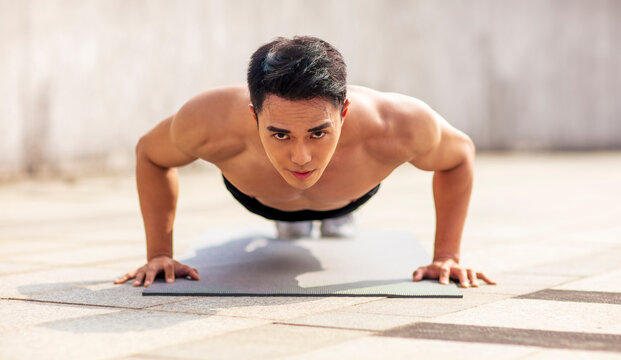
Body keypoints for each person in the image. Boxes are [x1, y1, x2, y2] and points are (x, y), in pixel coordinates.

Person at [114, 36, 495, 289]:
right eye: (280, 134)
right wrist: (159, 253)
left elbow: (459, 156)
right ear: (254, 115)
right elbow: (150, 154)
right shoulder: (208, 120)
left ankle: (335, 216)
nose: (301, 157)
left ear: (344, 112)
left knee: (329, 207)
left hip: (348, 192)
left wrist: (447, 255)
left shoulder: (398, 124)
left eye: (318, 133)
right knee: (292, 214)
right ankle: (292, 224)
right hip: (258, 195)